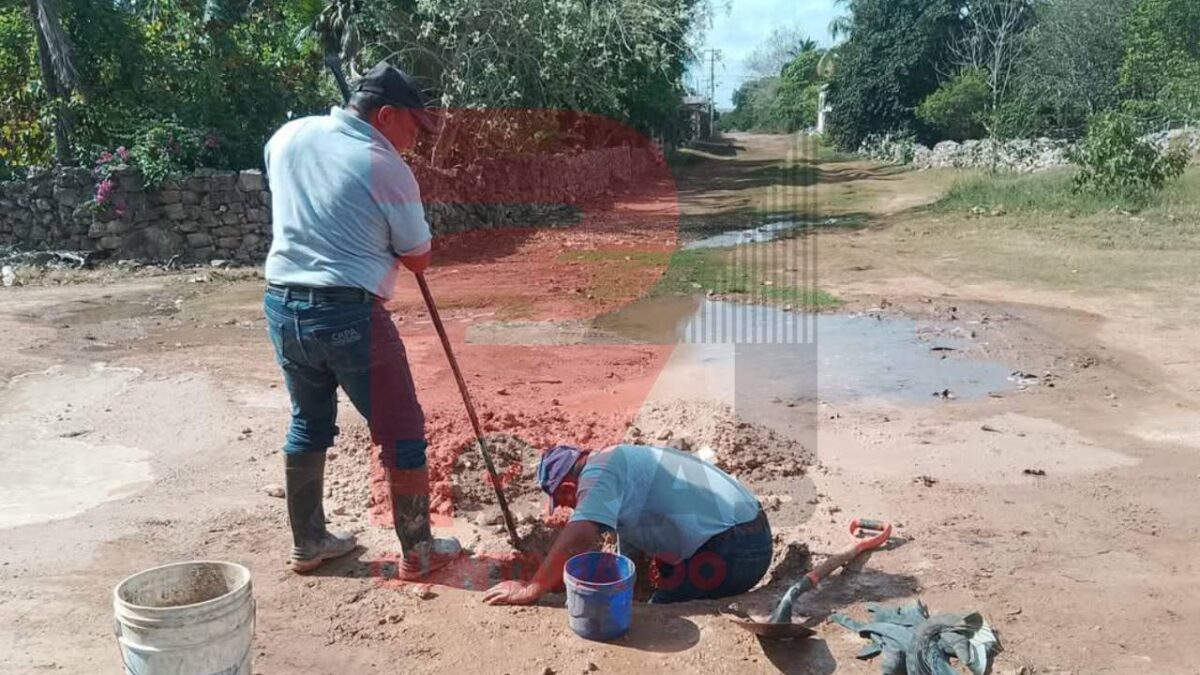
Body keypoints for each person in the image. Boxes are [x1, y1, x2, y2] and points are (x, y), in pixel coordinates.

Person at [262, 61, 461, 577]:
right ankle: (417, 553)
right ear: (387, 114)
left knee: (308, 421)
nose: (416, 138)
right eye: (414, 126)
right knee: (403, 432)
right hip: (347, 311)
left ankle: (309, 542)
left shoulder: (287, 136)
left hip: (282, 305)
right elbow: (418, 257)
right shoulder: (385, 164)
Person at [482, 443, 773, 605]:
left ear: (570, 485)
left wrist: (532, 588)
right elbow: (631, 542)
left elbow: (582, 533)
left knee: (657, 614)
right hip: (752, 539)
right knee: (657, 587)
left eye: (565, 500)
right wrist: (634, 586)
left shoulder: (599, 472)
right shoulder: (622, 464)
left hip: (736, 551)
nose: (570, 508)